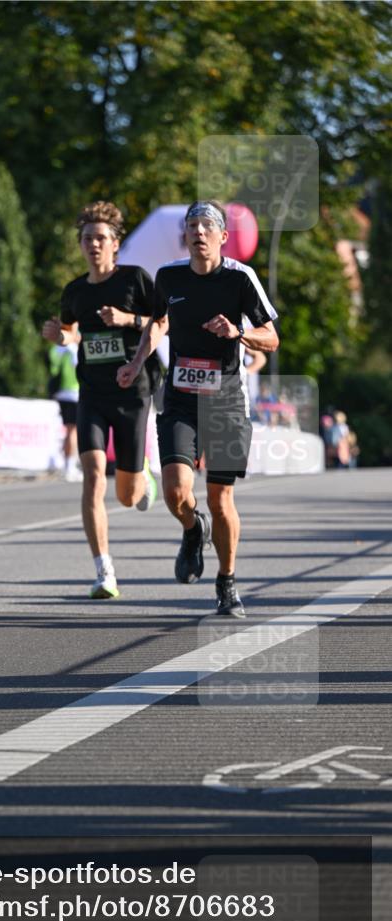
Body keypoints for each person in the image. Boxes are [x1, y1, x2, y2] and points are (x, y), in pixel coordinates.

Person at [118, 200, 279, 617]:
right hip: (181, 398)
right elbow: (158, 322)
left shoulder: (241, 278)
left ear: (223, 237)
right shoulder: (168, 276)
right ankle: (193, 528)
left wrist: (239, 331)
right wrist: (136, 363)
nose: (199, 232)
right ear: (184, 236)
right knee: (174, 491)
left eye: (208, 226)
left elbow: (272, 338)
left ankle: (226, 581)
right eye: (192, 226)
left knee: (220, 498)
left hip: (226, 400)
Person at [42, 201, 159, 599]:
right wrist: (60, 336)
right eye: (87, 238)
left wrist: (129, 321)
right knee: (93, 476)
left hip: (133, 391)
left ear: (115, 244)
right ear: (80, 244)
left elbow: (163, 321)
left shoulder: (135, 281)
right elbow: (72, 333)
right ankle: (103, 570)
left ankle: (140, 473)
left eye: (101, 238)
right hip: (91, 391)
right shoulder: (74, 291)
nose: (94, 244)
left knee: (127, 496)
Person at [48, 341, 82, 482]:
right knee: (72, 431)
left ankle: (67, 464)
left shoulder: (56, 349)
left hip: (61, 393)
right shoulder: (73, 349)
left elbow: (52, 368)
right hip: (73, 393)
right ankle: (70, 466)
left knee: (69, 430)